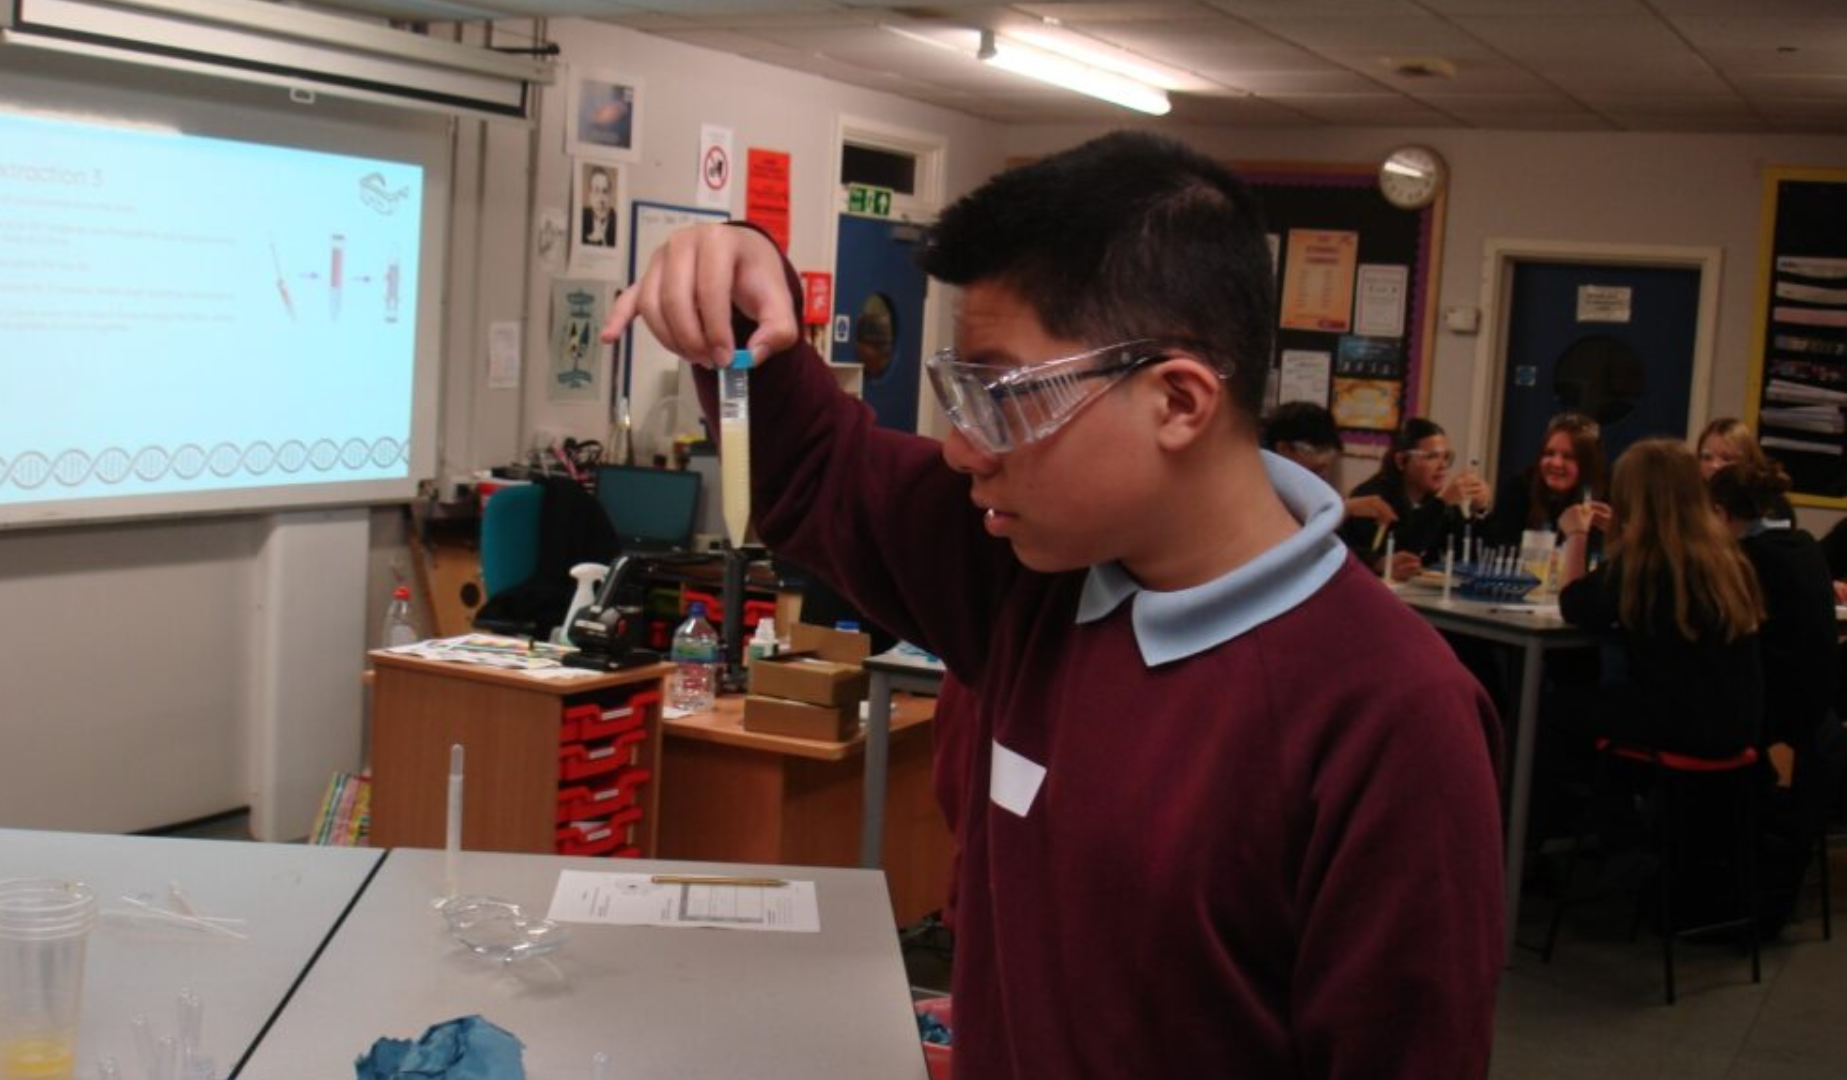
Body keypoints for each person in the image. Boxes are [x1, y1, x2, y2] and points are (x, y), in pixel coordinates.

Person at [604, 131, 1504, 1078]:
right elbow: (820, 471)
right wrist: (747, 281)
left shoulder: (1394, 713)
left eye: (1003, 396)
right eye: (959, 393)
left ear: (1179, 402)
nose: (962, 448)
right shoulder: (1025, 565)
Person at [1555, 438, 1763, 759]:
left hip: (1679, 727)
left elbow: (1574, 605)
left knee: (1557, 703)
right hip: (1735, 726)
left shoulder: (1648, 562)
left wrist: (1577, 535)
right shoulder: (1723, 556)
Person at [1709, 459, 1843, 934]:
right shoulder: (1802, 547)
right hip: (1813, 724)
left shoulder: (1749, 562)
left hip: (1769, 723)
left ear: (1721, 513)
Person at [1337, 417, 1491, 582]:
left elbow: (1464, 557)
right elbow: (1401, 553)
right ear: (1401, 461)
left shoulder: (1437, 500)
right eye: (1432, 456)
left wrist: (1478, 511)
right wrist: (1441, 503)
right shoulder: (1372, 498)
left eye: (1446, 457)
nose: (1442, 466)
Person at [1481, 412, 1611, 551]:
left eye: (1568, 457)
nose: (1556, 463)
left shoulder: (1606, 497)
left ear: (1588, 464)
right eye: (1549, 453)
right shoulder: (1519, 488)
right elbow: (1495, 544)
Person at [1260, 401, 1397, 529]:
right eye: (1315, 471)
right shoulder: (1258, 490)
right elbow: (1289, 540)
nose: (1321, 477)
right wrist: (1345, 509)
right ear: (1284, 449)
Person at [581, 164, 617, 247]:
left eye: (605, 191)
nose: (601, 200)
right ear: (590, 196)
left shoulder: (617, 222)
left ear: (610, 195)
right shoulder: (581, 218)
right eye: (596, 191)